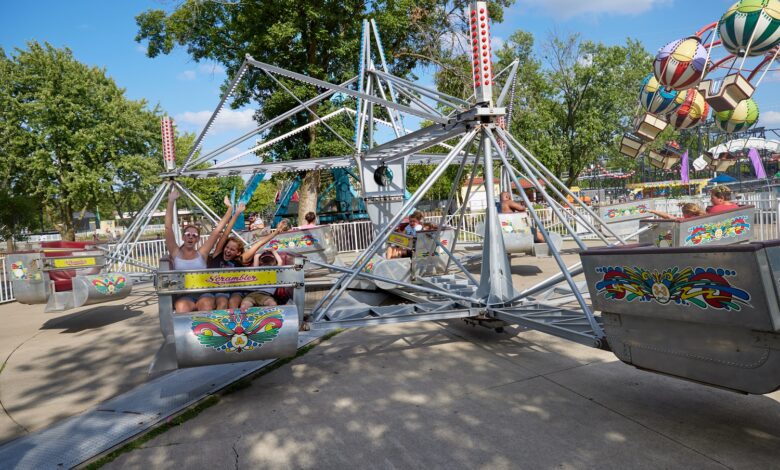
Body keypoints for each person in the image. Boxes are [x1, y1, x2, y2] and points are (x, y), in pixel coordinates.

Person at [165, 188, 234, 313]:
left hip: (204, 293)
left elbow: (217, 231)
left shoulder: (202, 253)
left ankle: (207, 331)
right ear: (183, 237)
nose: (191, 237)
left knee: (206, 305)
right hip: (185, 294)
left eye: (194, 235)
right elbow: (168, 228)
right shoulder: (176, 252)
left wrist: (229, 209)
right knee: (181, 307)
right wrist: (170, 201)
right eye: (188, 234)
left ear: (198, 239)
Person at [208, 200, 247, 310]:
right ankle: (220, 326)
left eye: (232, 249)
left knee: (233, 303)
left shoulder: (238, 261)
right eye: (227, 248)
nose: (228, 251)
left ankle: (235, 326)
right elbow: (225, 233)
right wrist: (236, 213)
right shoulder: (218, 255)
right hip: (221, 290)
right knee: (223, 303)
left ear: (238, 252)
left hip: (235, 290)